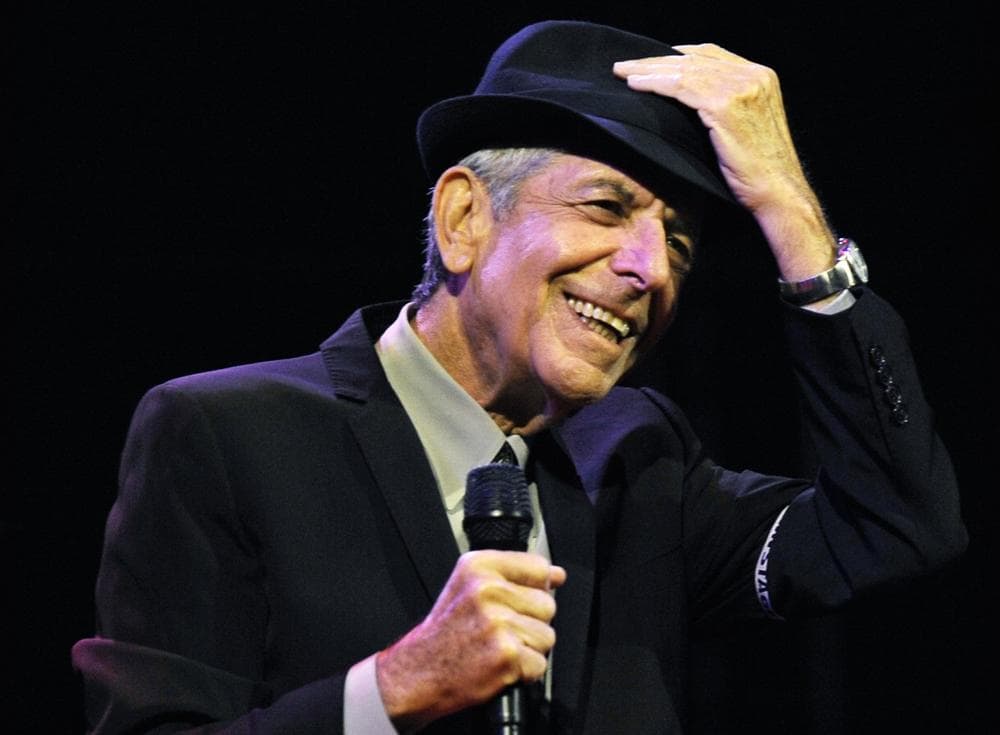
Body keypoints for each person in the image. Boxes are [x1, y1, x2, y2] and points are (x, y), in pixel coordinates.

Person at [72, 19, 967, 734]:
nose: (649, 268)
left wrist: (787, 206)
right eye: (605, 207)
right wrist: (391, 690)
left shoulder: (643, 466)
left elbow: (895, 526)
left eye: (680, 245)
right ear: (463, 217)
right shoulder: (228, 433)